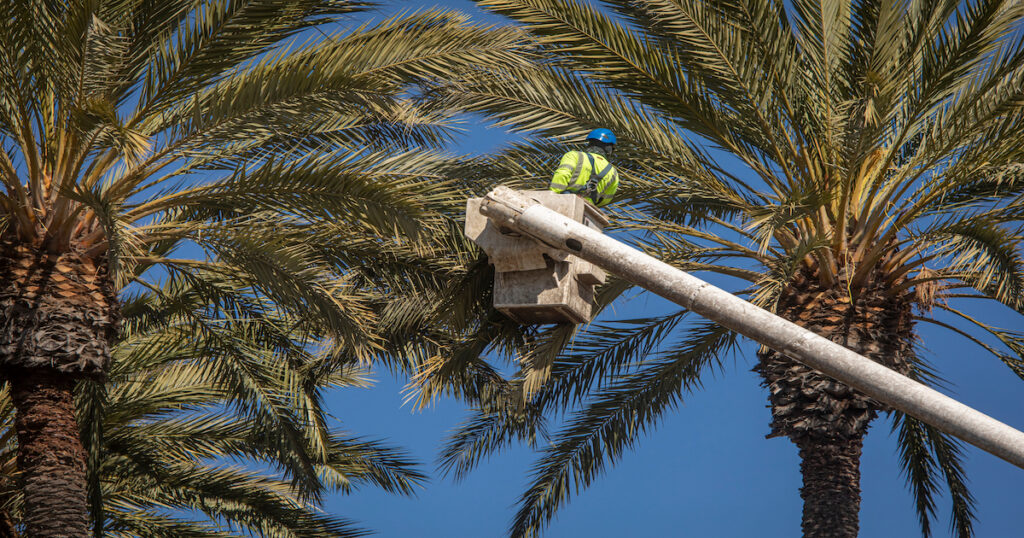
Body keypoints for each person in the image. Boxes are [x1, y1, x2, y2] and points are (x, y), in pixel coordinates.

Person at [548, 128, 620, 207]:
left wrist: (554, 196)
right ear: (609, 149)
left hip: (563, 203)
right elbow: (606, 199)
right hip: (586, 209)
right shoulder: (613, 173)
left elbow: (561, 175)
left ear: (590, 143)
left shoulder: (574, 155)